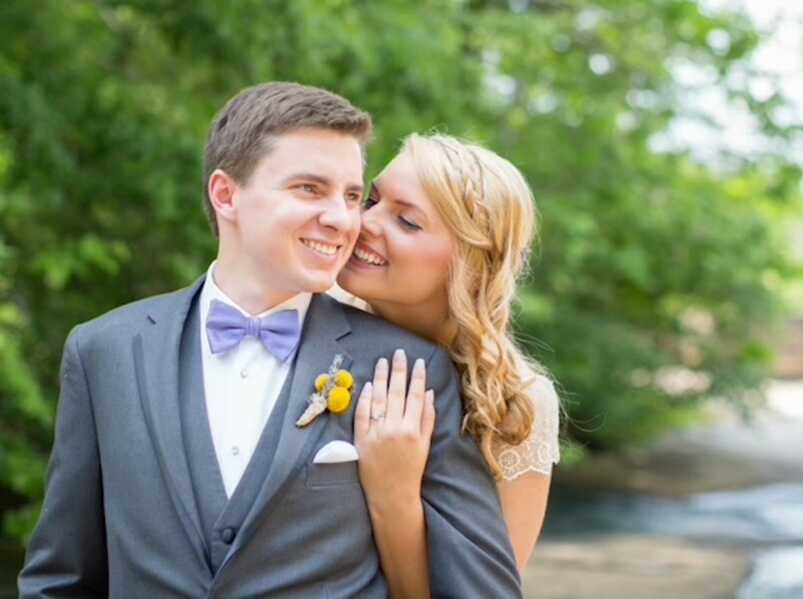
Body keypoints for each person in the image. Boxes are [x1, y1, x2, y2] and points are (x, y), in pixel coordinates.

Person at [18, 83, 521, 598]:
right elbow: (61, 579)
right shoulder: (103, 351)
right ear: (226, 194)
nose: (344, 218)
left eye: (351, 195)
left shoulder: (411, 370)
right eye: (309, 188)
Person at [335, 133, 561, 597]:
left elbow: (483, 590)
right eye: (372, 199)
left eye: (407, 221)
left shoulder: (517, 403)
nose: (363, 222)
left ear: (471, 263)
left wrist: (394, 496)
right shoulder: (299, 317)